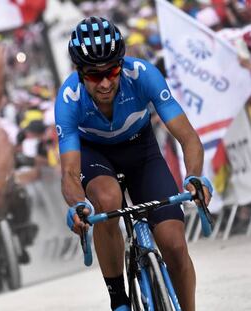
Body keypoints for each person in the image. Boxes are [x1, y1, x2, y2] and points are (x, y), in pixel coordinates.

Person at [55, 16, 213, 311]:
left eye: (112, 71)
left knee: (175, 247)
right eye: (93, 75)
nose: (104, 82)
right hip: (95, 156)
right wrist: (78, 205)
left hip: (141, 150)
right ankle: (119, 300)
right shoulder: (68, 99)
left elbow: (189, 138)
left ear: (122, 63)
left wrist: (194, 177)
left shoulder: (143, 75)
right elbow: (69, 171)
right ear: (79, 72)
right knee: (108, 200)